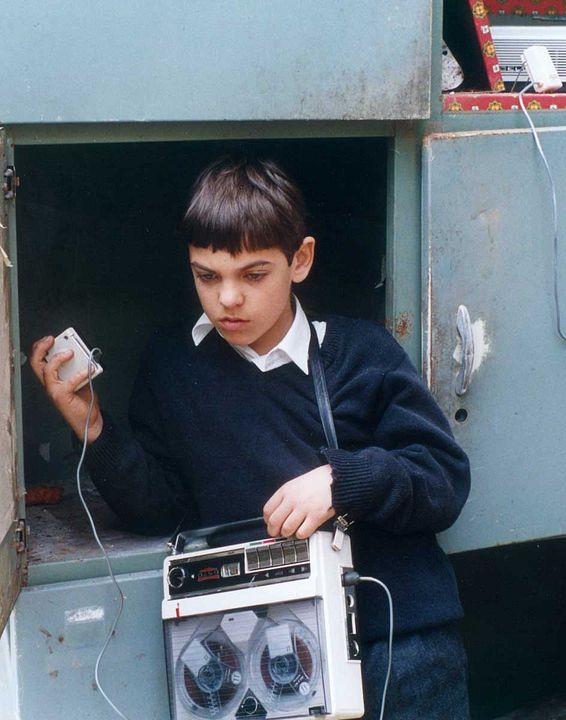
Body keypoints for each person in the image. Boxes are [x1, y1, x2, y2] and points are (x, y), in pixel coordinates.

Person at [30, 155, 471, 719]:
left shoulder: (362, 352)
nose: (227, 299)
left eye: (253, 274)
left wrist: (342, 481)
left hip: (401, 646)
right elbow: (160, 507)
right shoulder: (172, 365)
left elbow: (444, 479)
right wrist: (92, 424)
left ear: (301, 260)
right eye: (207, 275)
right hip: (269, 658)